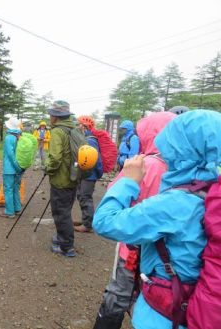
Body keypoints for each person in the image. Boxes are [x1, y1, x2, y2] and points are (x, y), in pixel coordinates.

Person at [93, 110, 221, 329]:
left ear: (179, 147)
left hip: (162, 315)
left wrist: (129, 181)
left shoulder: (176, 203)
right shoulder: (212, 190)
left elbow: (104, 221)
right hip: (194, 305)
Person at [93, 111, 176, 329]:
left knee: (118, 291)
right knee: (151, 292)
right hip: (167, 253)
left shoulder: (143, 164)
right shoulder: (181, 167)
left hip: (133, 244)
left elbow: (113, 197)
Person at [45, 100, 80, 257]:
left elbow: (55, 157)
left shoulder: (58, 132)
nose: (49, 117)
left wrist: (47, 168)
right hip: (74, 177)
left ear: (56, 116)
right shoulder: (74, 129)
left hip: (61, 180)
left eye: (51, 114)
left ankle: (67, 247)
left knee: (60, 212)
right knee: (65, 209)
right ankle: (61, 238)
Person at [74, 116, 103, 233]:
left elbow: (96, 160)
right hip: (85, 174)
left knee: (85, 197)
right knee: (81, 196)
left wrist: (97, 173)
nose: (78, 126)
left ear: (85, 126)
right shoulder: (85, 138)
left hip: (89, 175)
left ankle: (88, 224)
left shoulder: (90, 140)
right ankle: (85, 219)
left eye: (80, 124)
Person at [0, 117, 23, 218]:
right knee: (15, 188)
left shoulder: (9, 137)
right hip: (18, 168)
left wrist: (16, 167)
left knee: (8, 189)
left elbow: (10, 154)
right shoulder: (18, 136)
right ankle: (17, 209)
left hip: (10, 169)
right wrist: (19, 168)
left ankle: (9, 212)